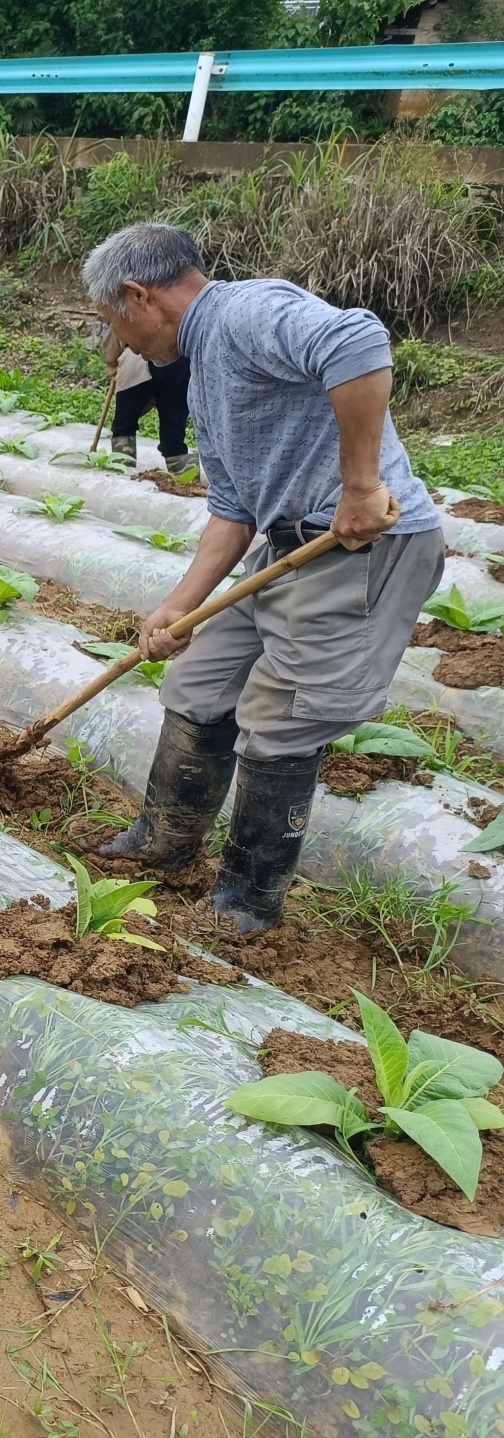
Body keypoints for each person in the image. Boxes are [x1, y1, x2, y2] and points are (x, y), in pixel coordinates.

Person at [83, 222, 444, 933]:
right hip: (281, 548)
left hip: (358, 551)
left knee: (282, 720)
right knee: (199, 684)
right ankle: (165, 838)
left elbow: (358, 342)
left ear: (138, 296)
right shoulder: (202, 366)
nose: (122, 344)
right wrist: (176, 609)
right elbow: (232, 509)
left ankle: (248, 903)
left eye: (115, 326)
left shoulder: (243, 312)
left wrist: (361, 484)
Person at [101, 323, 191, 466]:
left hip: (138, 363)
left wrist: (111, 361)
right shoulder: (183, 303)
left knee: (124, 427)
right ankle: (186, 482)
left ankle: (122, 473)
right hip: (178, 364)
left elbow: (116, 328)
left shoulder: (130, 304)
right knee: (174, 435)